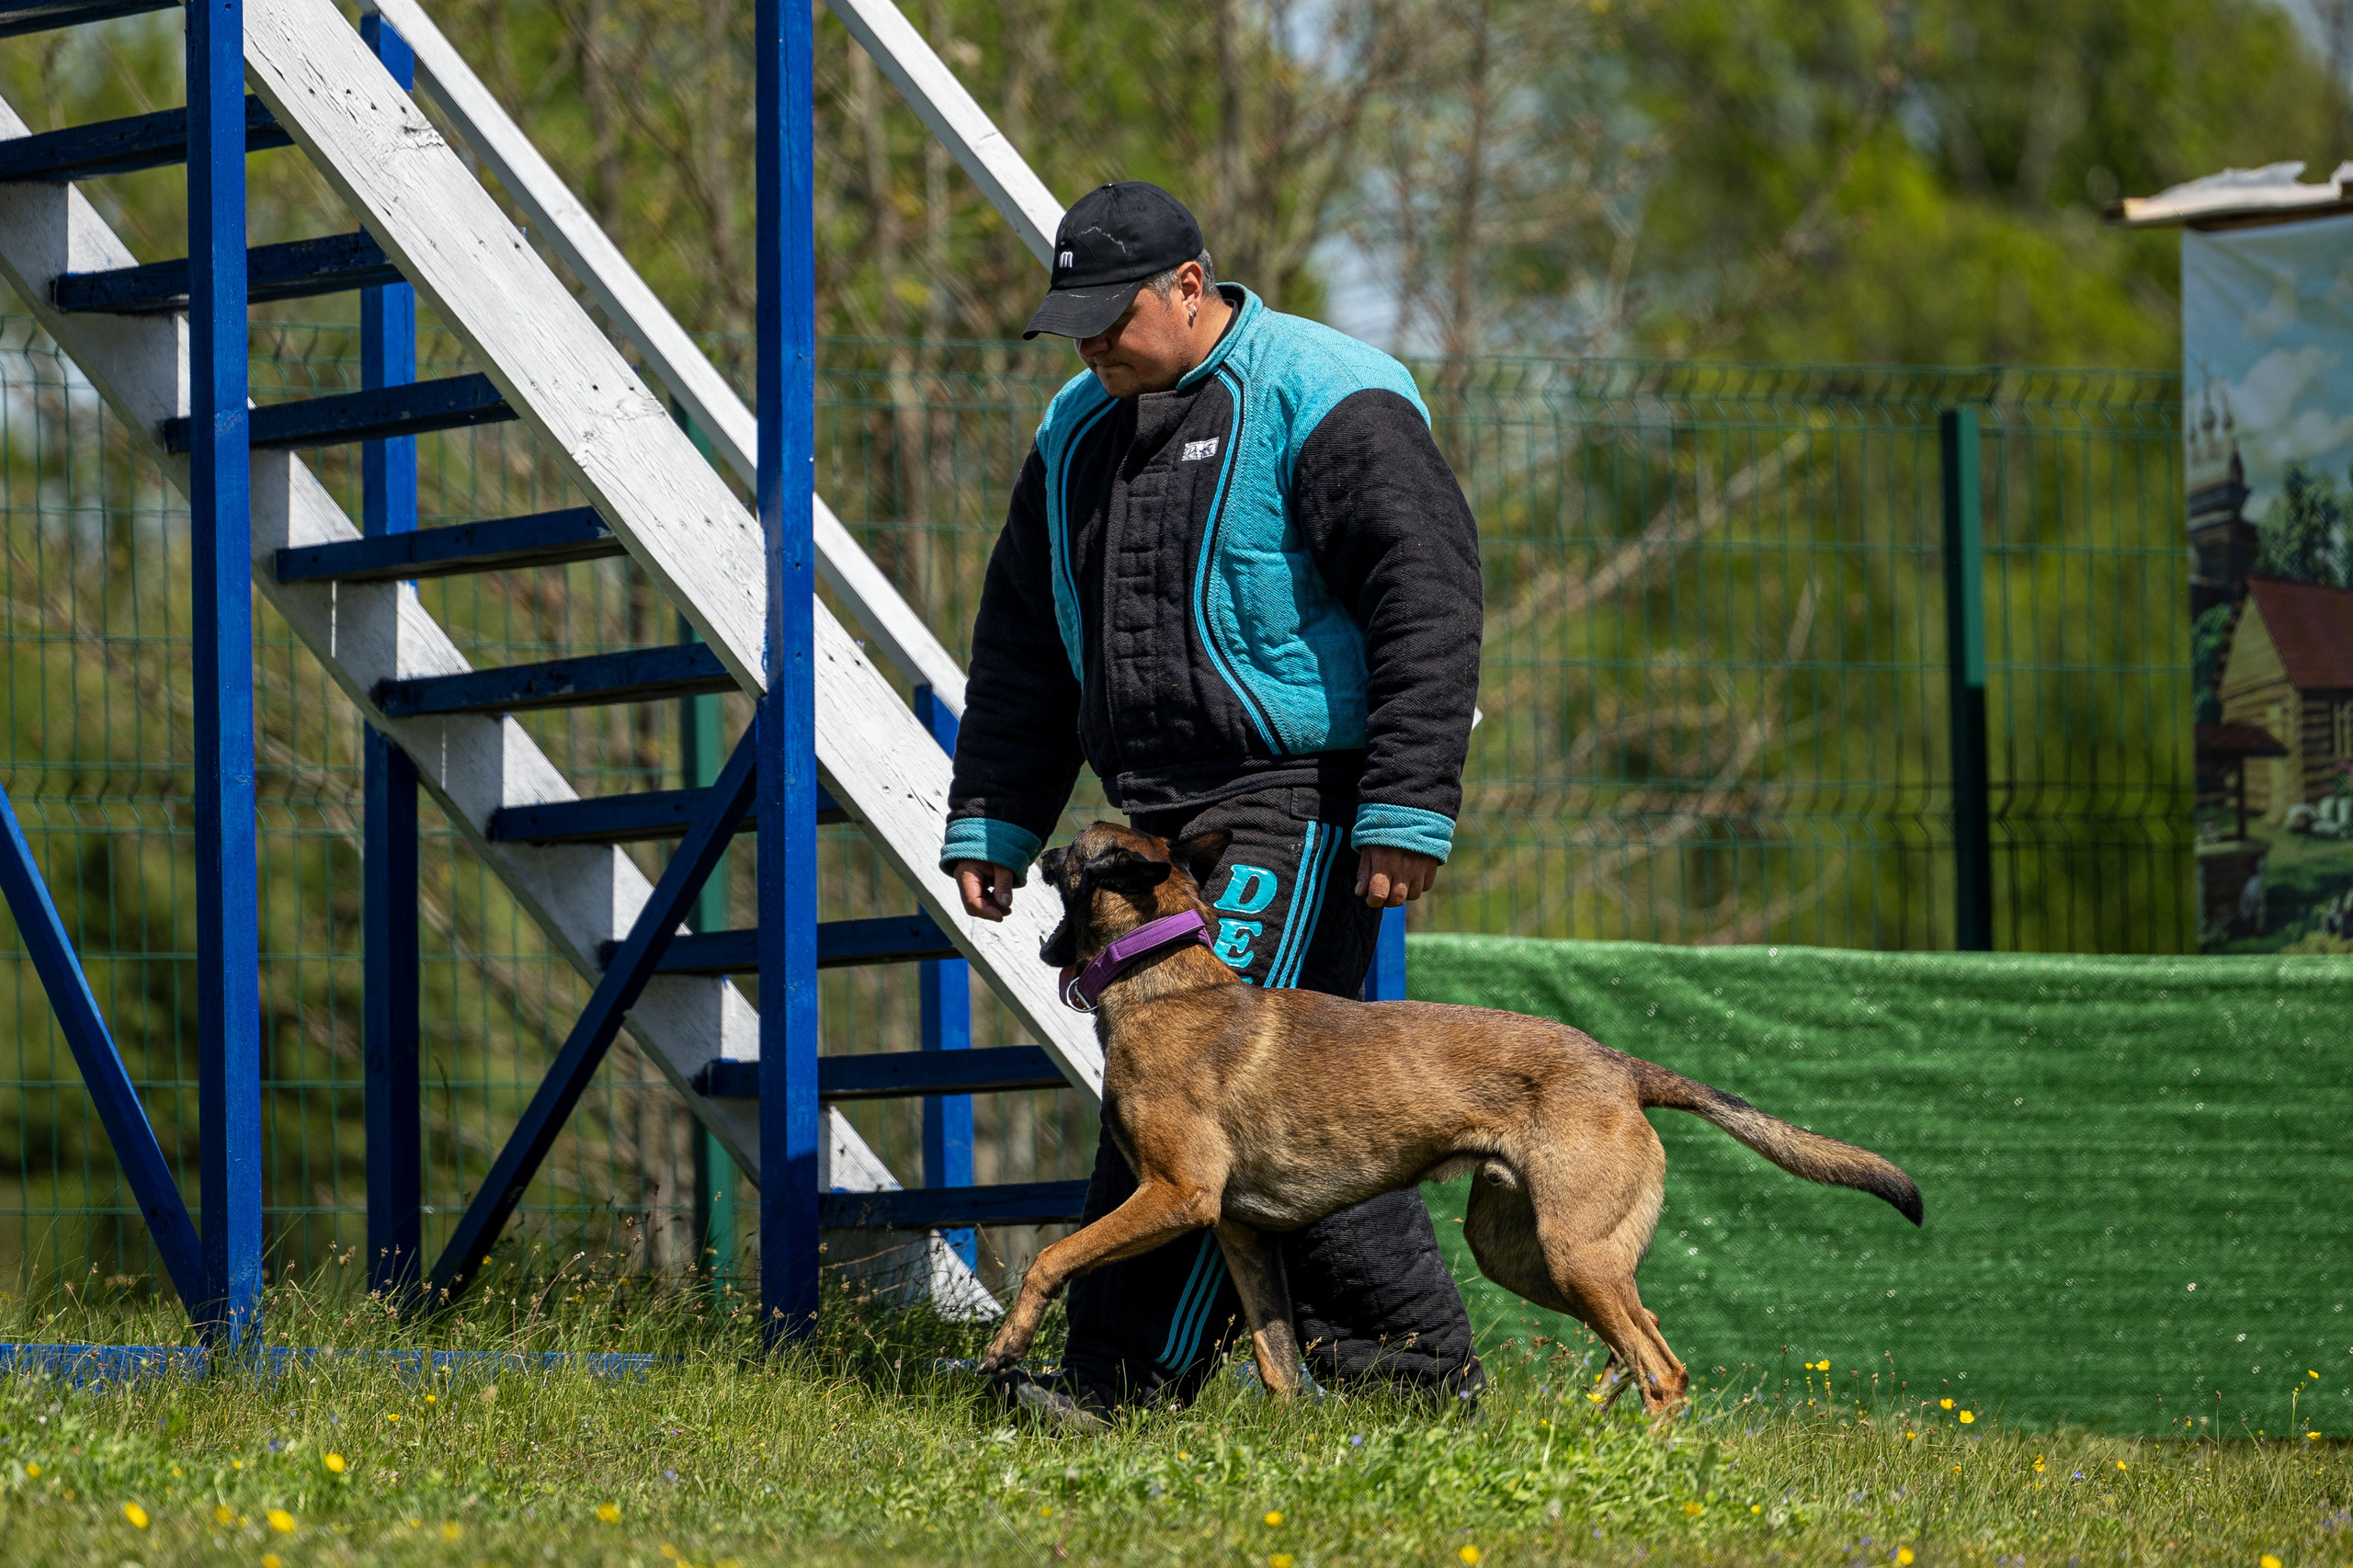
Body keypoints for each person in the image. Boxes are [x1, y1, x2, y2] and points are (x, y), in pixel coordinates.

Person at [940, 180, 1486, 1428]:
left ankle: (1116, 1387)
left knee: (1183, 1098)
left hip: (1296, 796)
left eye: (1108, 314)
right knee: (1262, 1106)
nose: (1085, 344)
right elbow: (1024, 641)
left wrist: (1407, 802)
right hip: (1145, 814)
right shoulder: (1075, 429)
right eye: (1067, 318)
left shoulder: (1329, 391)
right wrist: (995, 820)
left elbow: (1428, 596)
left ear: (1191, 285)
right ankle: (1403, 1370)